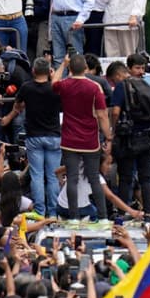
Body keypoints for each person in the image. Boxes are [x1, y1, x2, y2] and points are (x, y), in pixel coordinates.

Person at [51, 53, 109, 222]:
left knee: (72, 179)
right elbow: (102, 114)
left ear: (70, 68)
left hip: (69, 140)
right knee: (94, 179)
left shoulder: (64, 85)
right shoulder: (94, 87)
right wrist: (108, 135)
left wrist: (62, 64)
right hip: (90, 140)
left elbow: (53, 82)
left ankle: (74, 218)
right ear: (85, 68)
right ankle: (104, 217)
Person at [7, 57, 62, 216]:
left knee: (37, 176)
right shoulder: (55, 88)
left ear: (33, 71)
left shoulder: (26, 88)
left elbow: (17, 105)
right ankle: (53, 213)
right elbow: (59, 83)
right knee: (53, 176)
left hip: (33, 136)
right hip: (53, 136)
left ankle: (39, 211)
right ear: (49, 72)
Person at [108, 56, 150, 213]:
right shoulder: (146, 86)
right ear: (130, 68)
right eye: (138, 68)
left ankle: (123, 212)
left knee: (125, 178)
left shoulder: (122, 86)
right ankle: (149, 213)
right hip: (148, 137)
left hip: (128, 138)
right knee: (146, 179)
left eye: (142, 68)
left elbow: (115, 112)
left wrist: (112, 131)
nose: (141, 72)